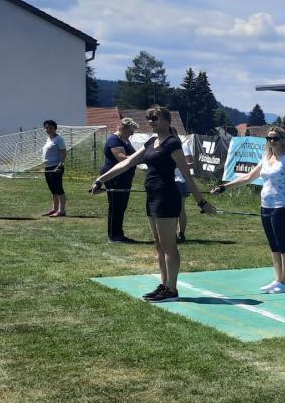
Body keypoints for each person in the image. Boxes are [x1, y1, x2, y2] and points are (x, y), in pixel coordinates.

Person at [90, 106, 215, 302]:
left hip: (167, 197)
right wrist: (100, 179)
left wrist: (202, 202)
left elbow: (187, 175)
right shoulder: (150, 142)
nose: (151, 121)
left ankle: (171, 290)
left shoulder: (173, 143)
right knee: (159, 245)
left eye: (155, 118)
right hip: (152, 197)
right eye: (149, 118)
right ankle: (164, 285)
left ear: (166, 120)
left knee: (169, 245)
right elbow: (126, 163)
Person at [211, 126, 285, 293]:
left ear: (283, 140)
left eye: (275, 138)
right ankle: (278, 280)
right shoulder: (266, 158)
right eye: (269, 138)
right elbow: (248, 177)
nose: (272, 141)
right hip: (265, 206)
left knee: (283, 244)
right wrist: (224, 187)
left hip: (281, 207)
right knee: (274, 245)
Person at [102, 118, 138, 243]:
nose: (132, 134)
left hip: (124, 177)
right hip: (115, 177)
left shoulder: (125, 139)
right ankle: (113, 236)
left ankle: (119, 234)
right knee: (116, 205)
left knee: (121, 206)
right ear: (123, 128)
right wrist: (140, 158)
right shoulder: (114, 139)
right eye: (130, 131)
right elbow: (121, 158)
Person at [41, 120, 68, 217]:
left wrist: (61, 164)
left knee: (58, 189)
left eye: (51, 128)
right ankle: (55, 209)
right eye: (46, 128)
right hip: (48, 167)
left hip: (56, 167)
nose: (48, 129)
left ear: (55, 129)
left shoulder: (58, 139)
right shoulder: (48, 139)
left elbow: (63, 152)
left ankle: (62, 211)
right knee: (53, 190)